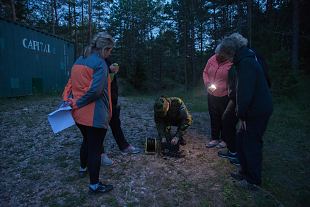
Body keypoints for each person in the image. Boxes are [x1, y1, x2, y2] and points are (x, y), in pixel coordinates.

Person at [62, 32, 114, 194]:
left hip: (78, 114)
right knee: (95, 148)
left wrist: (71, 102)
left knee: (87, 141)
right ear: (105, 49)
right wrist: (77, 102)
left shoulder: (79, 60)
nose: (110, 54)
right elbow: (95, 92)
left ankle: (82, 168)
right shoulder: (100, 63)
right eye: (110, 50)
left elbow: (71, 84)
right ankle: (94, 185)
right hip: (94, 114)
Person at [220, 33, 273, 189]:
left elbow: (245, 93)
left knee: (252, 144)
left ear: (231, 52)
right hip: (251, 109)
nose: (226, 59)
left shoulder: (247, 63)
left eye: (225, 56)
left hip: (258, 110)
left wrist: (242, 116)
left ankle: (253, 181)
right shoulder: (243, 60)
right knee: (241, 140)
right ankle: (244, 172)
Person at [101, 59, 141, 166]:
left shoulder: (107, 60)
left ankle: (124, 146)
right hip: (101, 101)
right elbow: (98, 81)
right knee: (99, 129)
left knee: (115, 123)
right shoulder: (95, 60)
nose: (110, 52)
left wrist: (112, 71)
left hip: (112, 100)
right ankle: (101, 154)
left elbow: (110, 80)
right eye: (108, 49)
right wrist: (109, 71)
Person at [203, 44, 233, 148]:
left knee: (225, 117)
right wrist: (207, 83)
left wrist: (227, 88)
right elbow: (205, 72)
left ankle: (225, 139)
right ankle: (214, 138)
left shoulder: (231, 62)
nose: (219, 56)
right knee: (213, 116)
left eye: (221, 55)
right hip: (211, 93)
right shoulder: (212, 59)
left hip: (225, 95)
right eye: (218, 54)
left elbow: (234, 78)